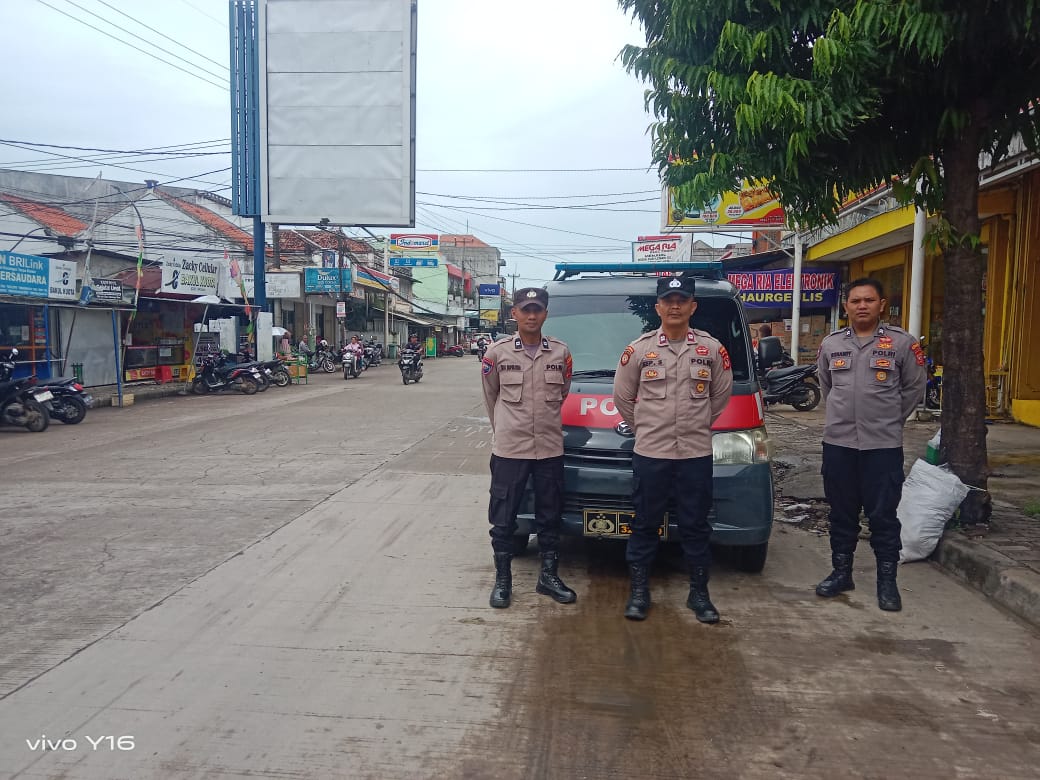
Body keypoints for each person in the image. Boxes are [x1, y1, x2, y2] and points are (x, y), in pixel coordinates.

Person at [612, 275, 734, 622]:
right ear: (658, 307)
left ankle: (699, 594)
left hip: (695, 454)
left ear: (693, 306)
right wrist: (647, 428)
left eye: (682, 300)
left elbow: (720, 396)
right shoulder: (639, 349)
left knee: (696, 525)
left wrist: (696, 424)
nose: (675, 306)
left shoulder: (711, 349)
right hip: (651, 454)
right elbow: (622, 397)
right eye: (669, 301)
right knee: (645, 524)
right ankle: (639, 592)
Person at [815, 278, 927, 612]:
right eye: (855, 301)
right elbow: (827, 387)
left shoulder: (902, 343)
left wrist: (888, 418)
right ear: (846, 307)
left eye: (868, 300)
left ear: (881, 305)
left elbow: (914, 388)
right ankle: (841, 573)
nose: (862, 306)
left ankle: (887, 583)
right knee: (841, 513)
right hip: (839, 444)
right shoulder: (832, 344)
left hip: (882, 446)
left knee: (883, 516)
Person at [481, 287, 576, 609]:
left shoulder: (560, 352)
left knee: (550, 515)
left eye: (537, 309)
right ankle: (503, 581)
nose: (531, 315)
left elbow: (563, 392)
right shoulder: (497, 353)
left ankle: (548, 577)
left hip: (549, 448)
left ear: (546, 314)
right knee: (504, 518)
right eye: (526, 309)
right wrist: (505, 429)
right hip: (510, 450)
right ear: (515, 314)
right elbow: (490, 396)